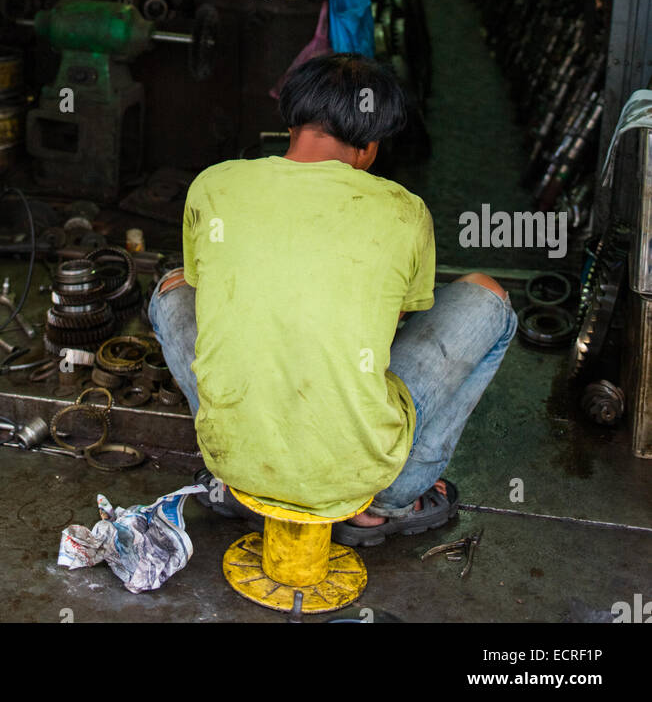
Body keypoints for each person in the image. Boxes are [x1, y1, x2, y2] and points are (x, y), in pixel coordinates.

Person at [149, 52, 516, 544]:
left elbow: (202, 286)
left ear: (294, 120)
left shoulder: (213, 185)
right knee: (489, 296)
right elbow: (392, 324)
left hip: (238, 463)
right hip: (358, 477)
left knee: (172, 288)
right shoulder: (404, 211)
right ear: (368, 145)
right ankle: (387, 501)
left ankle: (241, 482)